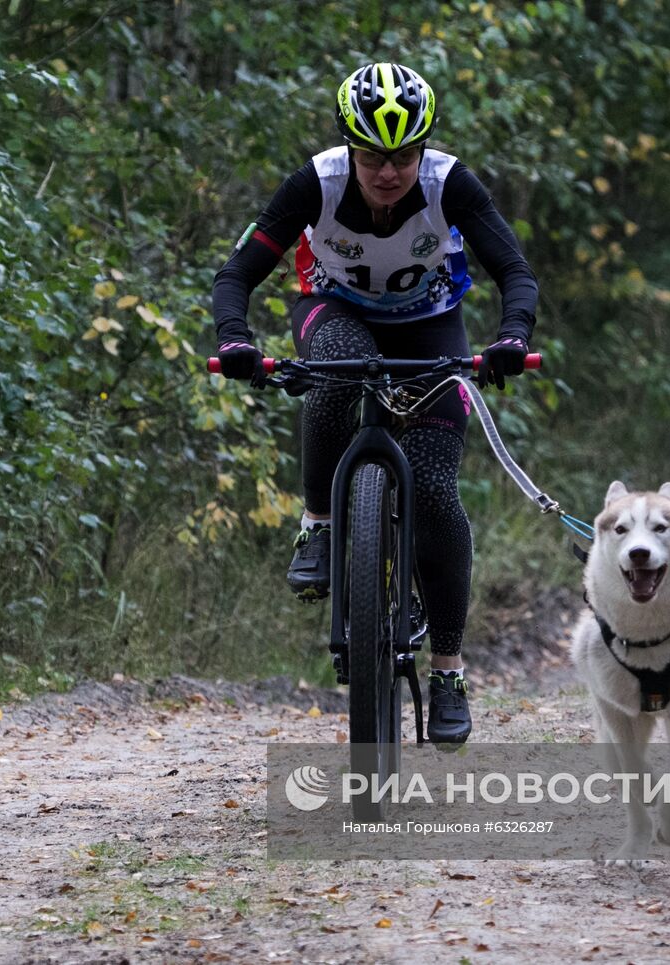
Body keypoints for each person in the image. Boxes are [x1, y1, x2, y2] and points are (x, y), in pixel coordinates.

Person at [210, 62, 539, 745]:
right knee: (332, 371)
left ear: (422, 149)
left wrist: (511, 337)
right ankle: (320, 524)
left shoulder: (450, 183)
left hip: (430, 325)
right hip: (334, 311)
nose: (388, 172)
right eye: (372, 156)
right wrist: (236, 340)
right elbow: (238, 272)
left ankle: (447, 670)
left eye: (402, 156)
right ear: (348, 148)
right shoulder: (316, 183)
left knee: (438, 495)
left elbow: (514, 270)